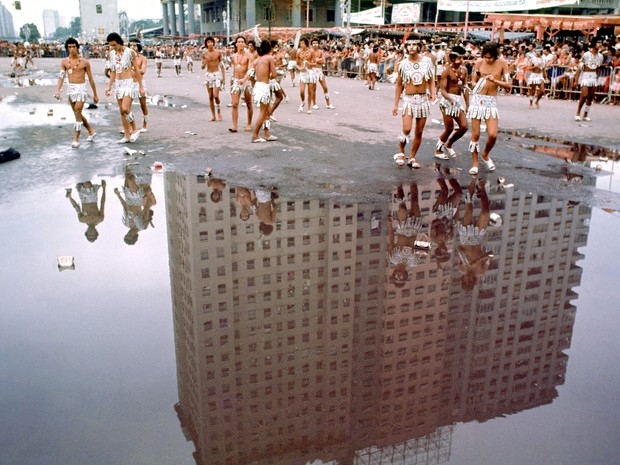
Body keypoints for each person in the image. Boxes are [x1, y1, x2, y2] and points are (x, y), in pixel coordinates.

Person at [391, 34, 437, 169]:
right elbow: (399, 85)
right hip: (409, 100)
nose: (411, 47)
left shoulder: (427, 61)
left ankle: (412, 157)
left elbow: (432, 80)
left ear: (418, 46)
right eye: (409, 45)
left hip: (423, 99)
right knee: (406, 129)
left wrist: (433, 94)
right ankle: (401, 152)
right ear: (406, 47)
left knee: (419, 131)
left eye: (414, 44)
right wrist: (395, 104)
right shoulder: (402, 64)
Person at [467, 41, 512, 175]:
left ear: (495, 56)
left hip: (491, 102)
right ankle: (475, 163)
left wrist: (494, 80)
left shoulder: (502, 63)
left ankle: (485, 154)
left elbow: (509, 85)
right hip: (477, 101)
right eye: (485, 57)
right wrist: (477, 83)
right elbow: (473, 81)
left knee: (493, 134)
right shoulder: (479, 62)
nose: (487, 59)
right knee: (475, 134)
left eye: (490, 57)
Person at [54, 37, 99, 148]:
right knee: (77, 113)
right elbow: (61, 77)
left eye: (74, 46)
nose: (72, 49)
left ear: (77, 47)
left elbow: (91, 79)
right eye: (69, 47)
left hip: (81, 89)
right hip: (71, 89)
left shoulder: (84, 62)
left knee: (78, 111)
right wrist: (58, 90)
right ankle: (91, 130)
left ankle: (76, 138)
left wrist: (95, 94)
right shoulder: (64, 62)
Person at [105, 32, 143, 144]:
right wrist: (109, 86)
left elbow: (136, 69)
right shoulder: (112, 54)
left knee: (126, 108)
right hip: (118, 84)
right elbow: (113, 71)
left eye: (114, 45)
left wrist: (141, 86)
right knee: (122, 111)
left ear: (120, 43)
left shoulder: (130, 52)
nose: (112, 47)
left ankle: (135, 129)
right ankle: (127, 135)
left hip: (129, 83)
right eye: (111, 45)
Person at [387, 183, 427, 288]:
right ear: (405, 277)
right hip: (415, 228)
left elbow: (391, 240)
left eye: (396, 278)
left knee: (402, 207)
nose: (398, 276)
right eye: (401, 279)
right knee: (415, 201)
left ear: (393, 274)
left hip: (402, 228)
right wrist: (426, 238)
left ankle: (399, 185)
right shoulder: (414, 262)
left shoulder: (392, 258)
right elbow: (423, 245)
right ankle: (414, 179)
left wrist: (390, 225)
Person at [456, 177, 493, 291]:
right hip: (478, 239)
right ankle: (482, 188)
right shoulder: (481, 271)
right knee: (485, 212)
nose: (468, 277)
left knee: (469, 208)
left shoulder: (461, 268)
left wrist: (466, 260)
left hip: (465, 238)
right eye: (470, 280)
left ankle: (473, 180)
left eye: (465, 279)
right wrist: (477, 261)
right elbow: (490, 255)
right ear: (473, 281)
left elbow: (459, 249)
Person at [435, 45, 469, 160]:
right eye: (458, 58)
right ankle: (438, 150)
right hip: (447, 101)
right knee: (449, 128)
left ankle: (448, 144)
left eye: (462, 58)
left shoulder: (464, 70)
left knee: (464, 127)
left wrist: (468, 104)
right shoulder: (447, 71)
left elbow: (464, 88)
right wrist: (450, 99)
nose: (461, 61)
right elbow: (442, 89)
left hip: (458, 101)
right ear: (453, 59)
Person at [113, 166, 156, 245]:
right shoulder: (143, 226)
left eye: (127, 234)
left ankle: (130, 157)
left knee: (127, 173)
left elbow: (125, 207)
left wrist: (118, 195)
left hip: (127, 198)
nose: (129, 233)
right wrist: (148, 196)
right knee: (131, 179)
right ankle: (140, 162)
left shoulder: (126, 223)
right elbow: (146, 209)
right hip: (136, 199)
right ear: (135, 236)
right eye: (130, 235)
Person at [251, 40, 277, 143]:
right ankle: (255, 135)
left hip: (258, 85)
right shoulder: (269, 58)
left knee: (266, 112)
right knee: (263, 112)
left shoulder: (257, 60)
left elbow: (252, 75)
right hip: (264, 86)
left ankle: (267, 133)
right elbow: (274, 74)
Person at [228, 35, 254, 133]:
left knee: (248, 103)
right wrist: (233, 82)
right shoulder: (233, 56)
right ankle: (234, 126)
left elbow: (250, 69)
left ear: (245, 44)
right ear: (236, 44)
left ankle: (249, 123)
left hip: (246, 81)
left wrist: (244, 79)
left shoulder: (249, 55)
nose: (240, 43)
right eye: (239, 42)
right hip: (236, 81)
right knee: (234, 104)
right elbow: (234, 70)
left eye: (242, 41)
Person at [575, 42, 603, 121]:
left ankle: (585, 114)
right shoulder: (586, 55)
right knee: (584, 95)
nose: (600, 44)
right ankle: (578, 112)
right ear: (594, 44)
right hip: (586, 76)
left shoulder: (600, 56)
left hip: (593, 77)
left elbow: (598, 68)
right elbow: (580, 67)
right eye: (598, 42)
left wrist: (596, 76)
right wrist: (576, 79)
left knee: (590, 97)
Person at [201, 36, 226, 122]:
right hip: (209, 75)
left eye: (211, 42)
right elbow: (202, 67)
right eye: (208, 42)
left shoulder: (218, 53)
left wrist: (223, 78)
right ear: (206, 44)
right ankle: (213, 115)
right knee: (210, 96)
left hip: (217, 75)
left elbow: (222, 65)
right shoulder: (204, 54)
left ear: (213, 43)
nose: (210, 43)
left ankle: (219, 111)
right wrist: (204, 63)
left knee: (216, 95)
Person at [311, 38, 336, 109]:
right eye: (313, 43)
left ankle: (328, 103)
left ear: (318, 44)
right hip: (313, 71)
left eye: (316, 43)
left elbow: (323, 61)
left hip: (319, 70)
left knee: (325, 87)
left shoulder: (321, 51)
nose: (315, 44)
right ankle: (314, 103)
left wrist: (317, 60)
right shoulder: (310, 52)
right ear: (312, 44)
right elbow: (311, 61)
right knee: (313, 88)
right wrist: (317, 60)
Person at [130, 41, 149, 133]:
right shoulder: (127, 58)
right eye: (131, 45)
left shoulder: (143, 58)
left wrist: (133, 67)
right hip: (129, 83)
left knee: (143, 105)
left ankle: (145, 124)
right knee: (127, 107)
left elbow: (142, 71)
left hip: (139, 83)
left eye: (134, 45)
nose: (132, 47)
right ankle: (129, 127)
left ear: (138, 46)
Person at [296, 37, 316, 113]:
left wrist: (309, 63)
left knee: (310, 91)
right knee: (301, 91)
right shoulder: (298, 52)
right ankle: (303, 101)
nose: (301, 44)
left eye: (302, 43)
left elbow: (315, 63)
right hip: (302, 73)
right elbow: (297, 63)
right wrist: (299, 68)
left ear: (306, 43)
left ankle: (309, 108)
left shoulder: (311, 51)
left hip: (310, 72)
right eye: (300, 43)